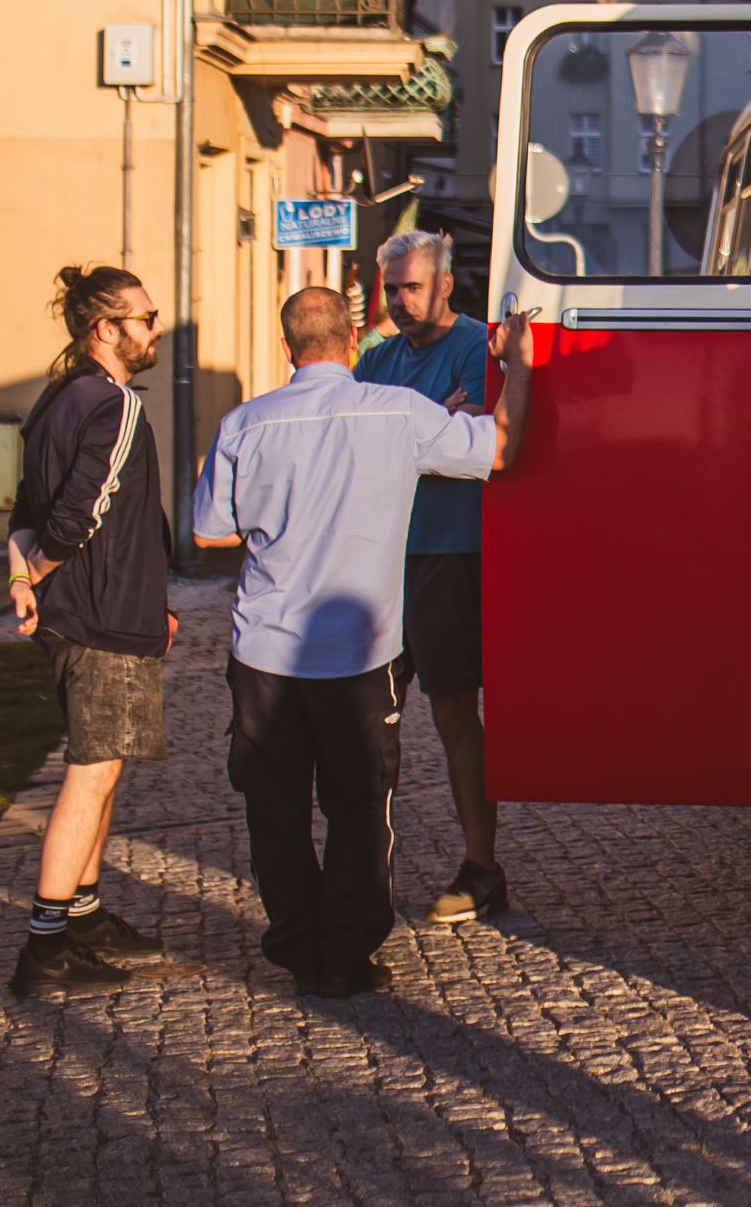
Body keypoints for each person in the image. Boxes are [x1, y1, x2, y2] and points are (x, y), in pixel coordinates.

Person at [191, 285, 531, 998]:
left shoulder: (245, 425)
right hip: (358, 653)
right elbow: (499, 448)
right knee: (358, 808)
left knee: (275, 809)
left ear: (286, 349)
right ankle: (346, 955)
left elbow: (208, 529)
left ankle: (295, 942)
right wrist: (520, 365)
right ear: (353, 344)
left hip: (265, 653)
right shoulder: (399, 413)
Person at [2, 265, 178, 1000]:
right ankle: (46, 949)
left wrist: (20, 577)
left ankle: (85, 916)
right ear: (105, 329)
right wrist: (38, 570)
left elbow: (22, 507)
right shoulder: (114, 405)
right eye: (145, 317)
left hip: (104, 612)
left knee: (104, 768)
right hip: (99, 617)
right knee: (92, 772)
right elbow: (78, 514)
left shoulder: (54, 400)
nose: (155, 327)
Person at [352, 228, 507, 925]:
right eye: (391, 289)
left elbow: (474, 445)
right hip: (378, 555)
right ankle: (361, 871)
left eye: (411, 286)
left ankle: (481, 866)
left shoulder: (479, 348)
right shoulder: (377, 359)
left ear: (446, 284)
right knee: (361, 716)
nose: (400, 301)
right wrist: (425, 432)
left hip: (449, 552)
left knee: (452, 714)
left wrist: (414, 440)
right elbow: (353, 447)